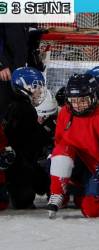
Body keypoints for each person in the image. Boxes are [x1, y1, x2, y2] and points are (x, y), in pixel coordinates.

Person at [47, 73, 99, 219]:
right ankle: (57, 193)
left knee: (91, 209)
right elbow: (60, 143)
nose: (77, 105)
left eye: (83, 100)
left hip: (96, 169)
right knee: (59, 153)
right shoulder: (64, 113)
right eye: (73, 100)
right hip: (75, 165)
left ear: (93, 97)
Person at [2, 67, 51, 209]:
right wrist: (46, 136)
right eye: (35, 87)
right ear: (23, 86)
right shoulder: (22, 108)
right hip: (18, 164)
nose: (39, 91)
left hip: (18, 160)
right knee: (23, 200)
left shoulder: (14, 104)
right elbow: (29, 139)